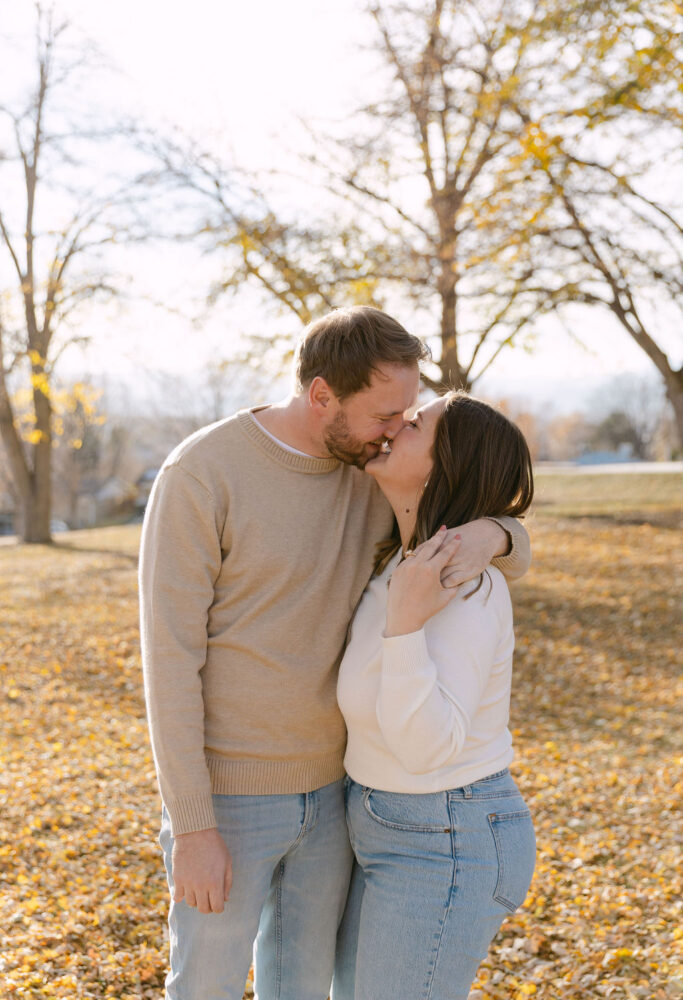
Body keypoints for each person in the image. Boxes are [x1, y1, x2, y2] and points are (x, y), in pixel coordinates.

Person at [139, 307, 531, 1000]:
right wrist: (193, 826)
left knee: (303, 988)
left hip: (335, 798)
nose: (394, 431)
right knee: (204, 985)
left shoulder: (368, 469)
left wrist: (498, 535)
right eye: (386, 414)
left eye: (407, 417)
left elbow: (460, 492)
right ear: (322, 396)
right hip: (230, 799)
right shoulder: (202, 473)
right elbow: (168, 664)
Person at [334, 391, 537, 1000]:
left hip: (449, 837)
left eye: (415, 423)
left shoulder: (462, 588)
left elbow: (428, 748)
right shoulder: (396, 561)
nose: (395, 425)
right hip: (382, 826)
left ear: (444, 464)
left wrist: (406, 626)